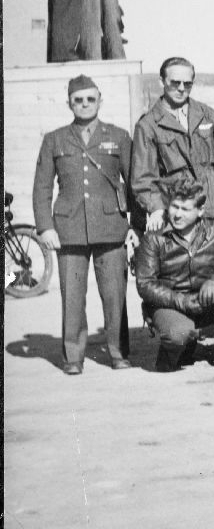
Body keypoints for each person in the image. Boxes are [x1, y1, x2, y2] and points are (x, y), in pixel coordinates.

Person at [32, 75, 136, 373]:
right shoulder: (54, 139)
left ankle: (118, 353)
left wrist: (135, 228)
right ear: (69, 104)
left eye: (91, 99)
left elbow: (133, 184)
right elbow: (42, 188)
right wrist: (45, 227)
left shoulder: (118, 136)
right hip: (69, 229)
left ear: (100, 101)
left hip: (111, 227)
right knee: (73, 296)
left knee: (115, 295)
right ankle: (73, 357)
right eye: (79, 100)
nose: (85, 104)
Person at [134, 176, 214, 371]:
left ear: (200, 211)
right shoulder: (154, 237)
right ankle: (175, 348)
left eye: (185, 209)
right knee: (178, 334)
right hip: (170, 305)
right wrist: (181, 301)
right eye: (174, 207)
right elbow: (145, 284)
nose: (177, 215)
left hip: (205, 301)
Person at [132, 57, 214, 236]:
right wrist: (155, 208)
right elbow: (143, 178)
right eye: (175, 83)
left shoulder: (208, 115)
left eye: (187, 84)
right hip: (178, 216)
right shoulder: (148, 126)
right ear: (161, 81)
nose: (181, 88)